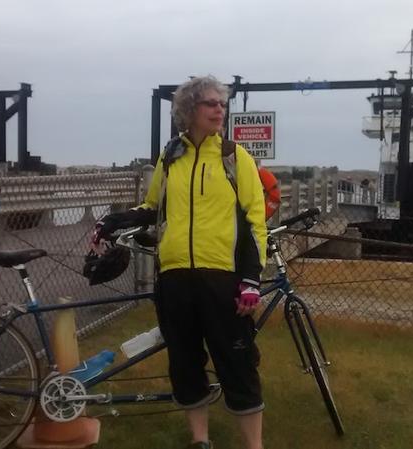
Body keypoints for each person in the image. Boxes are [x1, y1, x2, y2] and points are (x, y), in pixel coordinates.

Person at [93, 75, 267, 449]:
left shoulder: (236, 159)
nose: (219, 109)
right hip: (174, 280)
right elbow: (153, 208)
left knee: (237, 365)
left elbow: (255, 222)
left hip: (223, 278)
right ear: (189, 110)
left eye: (222, 103)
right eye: (210, 103)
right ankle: (200, 440)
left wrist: (251, 280)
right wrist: (114, 220)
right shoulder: (170, 157)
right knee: (185, 365)